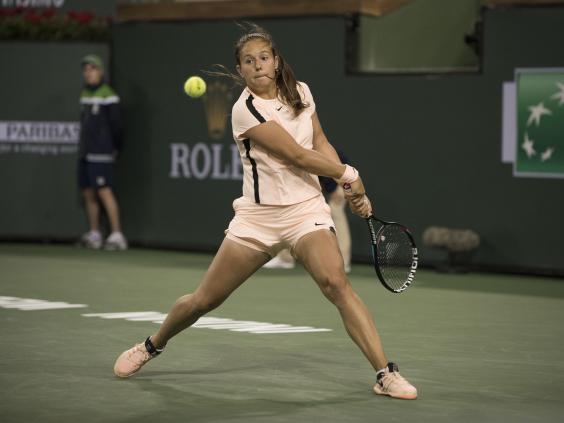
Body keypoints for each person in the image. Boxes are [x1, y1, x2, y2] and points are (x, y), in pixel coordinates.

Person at [113, 25, 417, 400]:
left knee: (336, 284)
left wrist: (346, 189)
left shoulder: (301, 91)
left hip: (306, 211)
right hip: (258, 219)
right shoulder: (245, 111)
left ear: (276, 61)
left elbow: (319, 142)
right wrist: (351, 176)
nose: (257, 66)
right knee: (204, 300)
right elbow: (297, 155)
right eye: (248, 61)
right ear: (240, 70)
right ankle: (152, 344)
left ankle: (385, 373)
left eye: (263, 58)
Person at [264, 149, 352, 272]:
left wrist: (341, 186)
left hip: (342, 182)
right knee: (290, 211)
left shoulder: (316, 148)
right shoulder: (295, 149)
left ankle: (343, 262)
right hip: (322, 184)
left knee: (336, 210)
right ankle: (285, 258)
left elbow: (340, 166)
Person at [78, 54, 128, 251]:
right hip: (85, 152)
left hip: (102, 153)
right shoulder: (84, 94)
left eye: (92, 68)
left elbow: (118, 127)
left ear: (100, 71)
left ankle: (117, 235)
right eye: (86, 69)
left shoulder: (109, 95)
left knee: (104, 191)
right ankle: (95, 234)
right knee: (88, 192)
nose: (88, 72)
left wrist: (114, 149)